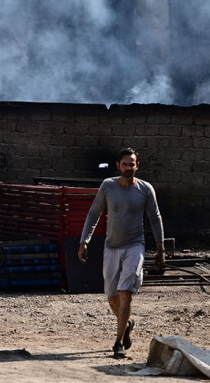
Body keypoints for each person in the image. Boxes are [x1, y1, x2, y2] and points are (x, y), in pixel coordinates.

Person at [78, 147, 165, 358]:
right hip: (111, 247)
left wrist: (161, 249)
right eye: (125, 164)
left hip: (135, 246)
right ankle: (126, 324)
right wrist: (84, 241)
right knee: (112, 297)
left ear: (137, 166)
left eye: (132, 164)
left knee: (126, 292)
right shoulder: (108, 186)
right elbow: (94, 213)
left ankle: (117, 343)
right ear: (118, 166)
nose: (128, 168)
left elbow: (155, 218)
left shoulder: (145, 189)